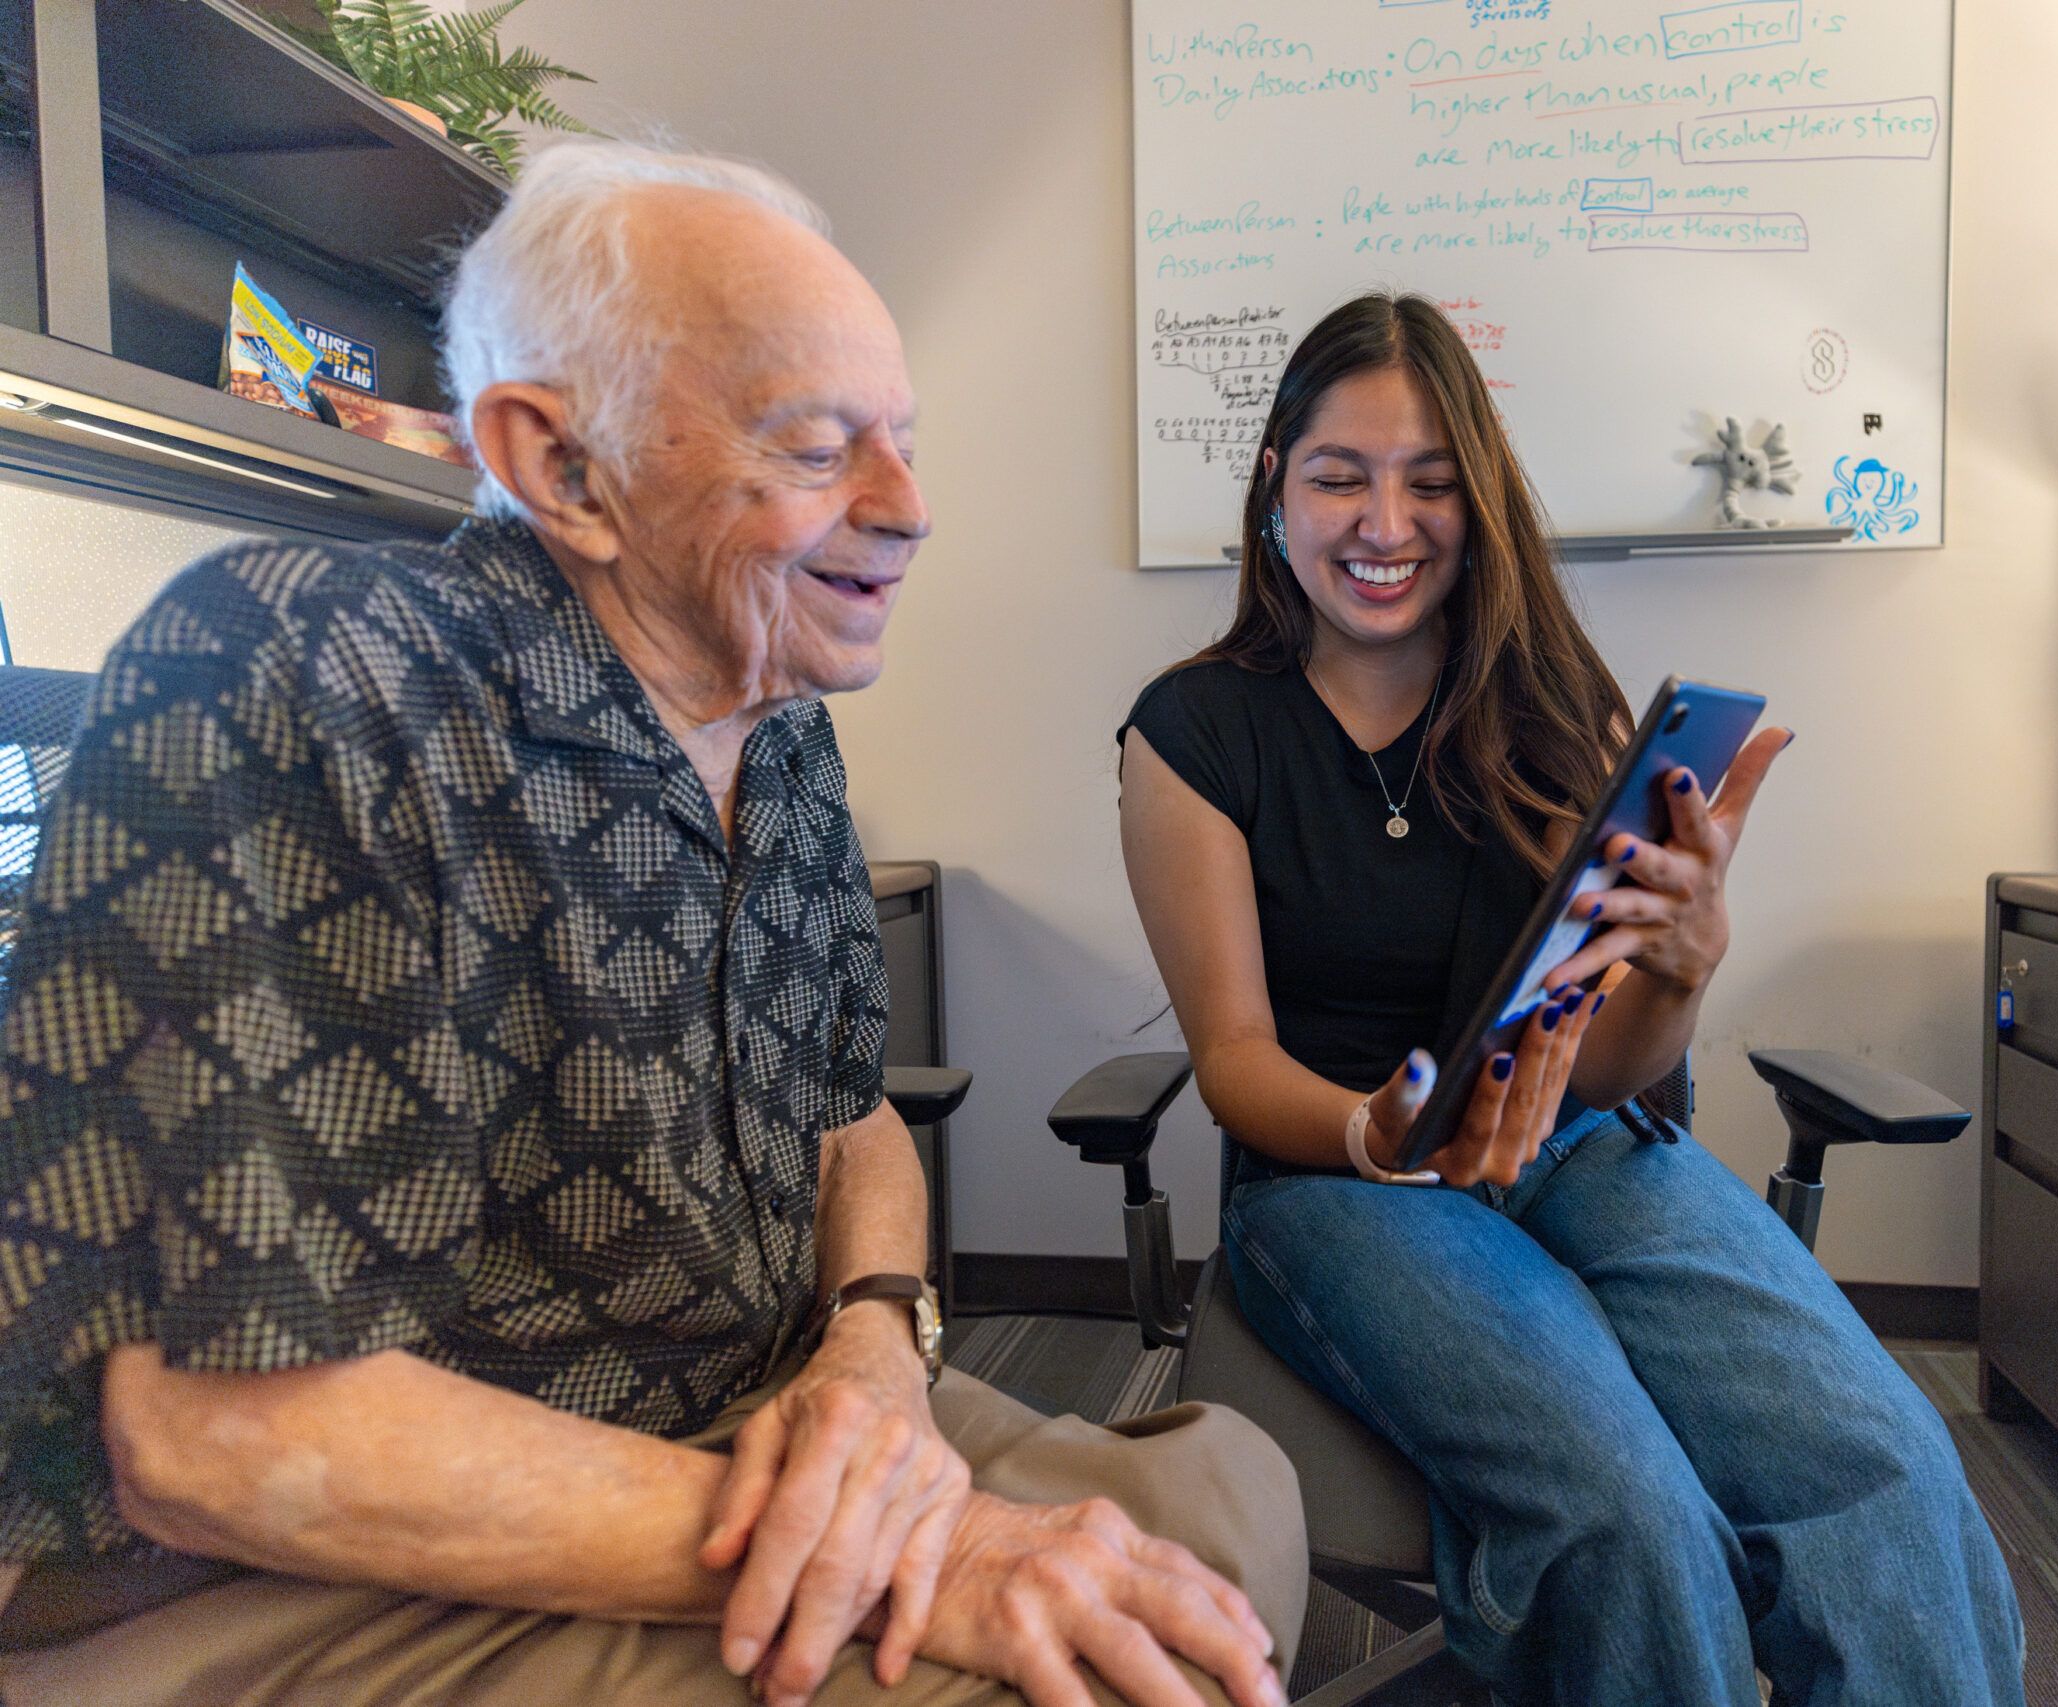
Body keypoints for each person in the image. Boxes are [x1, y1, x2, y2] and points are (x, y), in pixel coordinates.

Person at [0, 142, 1302, 1707]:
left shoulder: (785, 733)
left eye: (903, 442)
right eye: (822, 449)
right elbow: (220, 1439)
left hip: (726, 1419)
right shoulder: (312, 677)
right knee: (1070, 1676)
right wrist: (928, 1555)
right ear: (562, 467)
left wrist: (875, 1352)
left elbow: (852, 1125)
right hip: (295, 1559)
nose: (910, 509)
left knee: (1229, 1502)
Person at [1117, 293, 2024, 1706]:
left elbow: (1610, 1068)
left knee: (1885, 1465)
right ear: (1274, 495)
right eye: (1339, 475)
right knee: (1624, 1513)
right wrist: (1379, 1135)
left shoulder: (1559, 708)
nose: (1385, 521)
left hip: (1582, 1151)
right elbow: (1233, 1056)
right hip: (1340, 1180)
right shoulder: (1193, 733)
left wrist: (1680, 964)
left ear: (1478, 507)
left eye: (1430, 483)